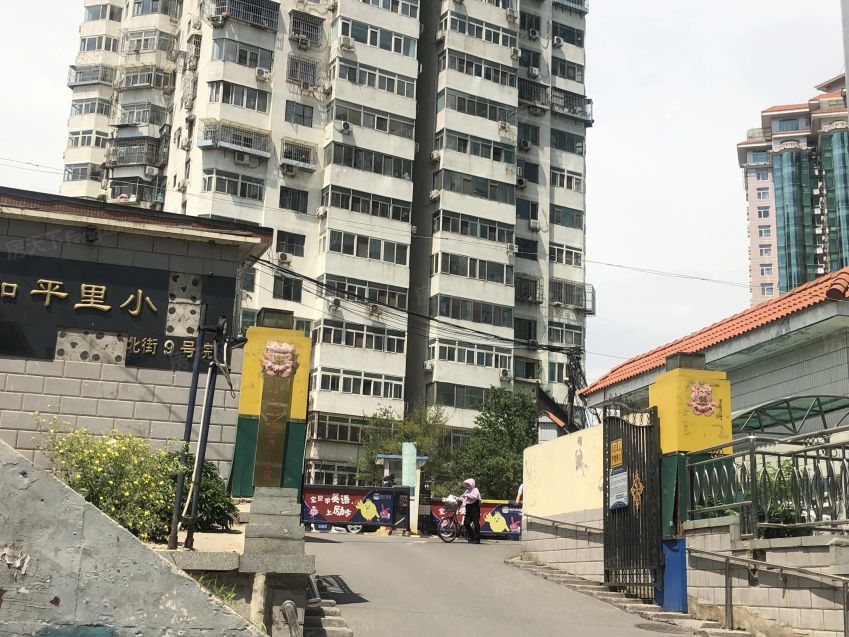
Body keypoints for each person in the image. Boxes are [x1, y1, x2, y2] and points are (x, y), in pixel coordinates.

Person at [458, 478, 481, 544]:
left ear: (472, 484)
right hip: (468, 507)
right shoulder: (467, 490)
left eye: (469, 484)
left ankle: (477, 539)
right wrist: (457, 498)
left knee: (476, 523)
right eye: (467, 484)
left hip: (474, 507)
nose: (468, 485)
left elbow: (475, 497)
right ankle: (471, 537)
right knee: (466, 523)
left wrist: (467, 495)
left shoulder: (475, 489)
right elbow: (462, 497)